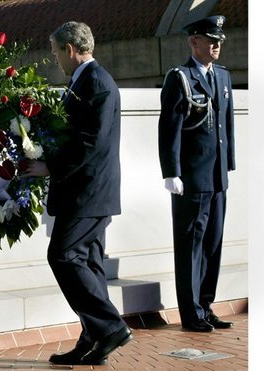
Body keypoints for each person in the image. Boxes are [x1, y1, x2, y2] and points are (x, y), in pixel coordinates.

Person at [23, 21, 132, 365]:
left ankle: (111, 327)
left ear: (70, 49)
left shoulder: (97, 83)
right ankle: (93, 337)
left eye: (56, 51)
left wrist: (50, 167)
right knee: (89, 263)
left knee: (63, 256)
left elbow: (91, 142)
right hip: (85, 191)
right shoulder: (82, 81)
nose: (55, 58)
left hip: (89, 192)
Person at [158, 15, 235, 332]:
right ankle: (191, 314)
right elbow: (169, 129)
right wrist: (171, 172)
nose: (216, 45)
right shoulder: (181, 77)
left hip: (217, 178)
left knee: (213, 244)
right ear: (194, 42)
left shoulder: (223, 76)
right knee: (190, 246)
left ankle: (206, 305)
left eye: (219, 40)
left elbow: (225, 125)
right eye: (210, 39)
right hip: (191, 178)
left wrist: (228, 162)